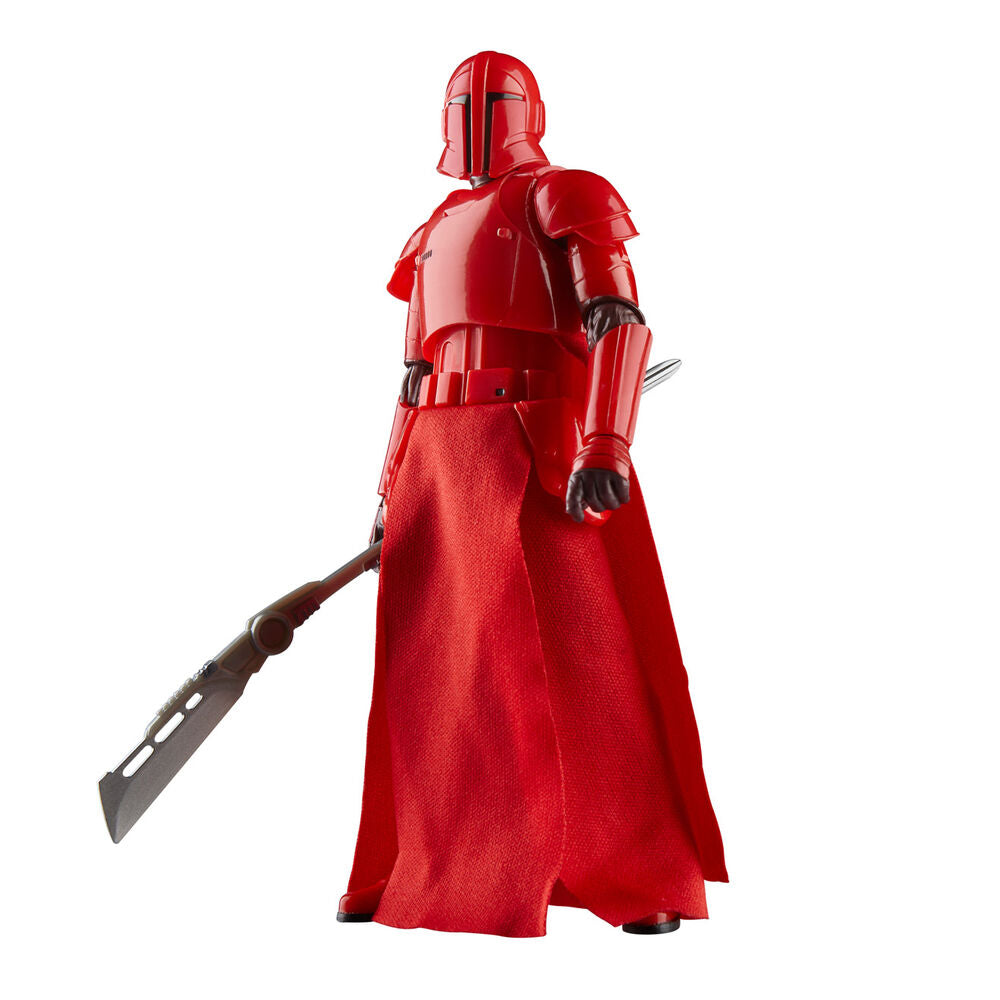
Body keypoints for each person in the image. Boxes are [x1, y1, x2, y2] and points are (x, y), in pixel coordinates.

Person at [337, 51, 727, 937]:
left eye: (492, 102)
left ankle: (632, 866)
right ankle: (426, 864)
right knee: (436, 674)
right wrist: (391, 487)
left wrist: (606, 440)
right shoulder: (434, 230)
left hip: (537, 445)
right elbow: (414, 373)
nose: (476, 117)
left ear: (523, 110)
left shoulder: (566, 196)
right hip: (440, 456)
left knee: (583, 663)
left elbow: (618, 321)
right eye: (464, 104)